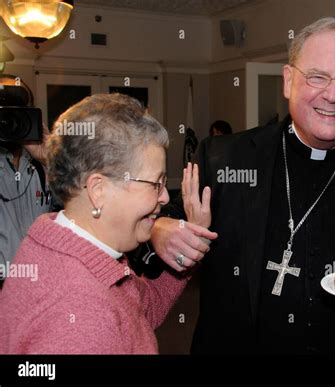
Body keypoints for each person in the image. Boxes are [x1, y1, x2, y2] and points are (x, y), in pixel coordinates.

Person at [151, 17, 335, 354]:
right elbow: (160, 228)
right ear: (287, 81)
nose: (333, 94)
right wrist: (160, 229)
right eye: (318, 77)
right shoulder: (223, 158)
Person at [0, 93, 200, 354]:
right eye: (155, 183)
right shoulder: (80, 315)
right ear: (99, 190)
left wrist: (186, 251)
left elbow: (139, 313)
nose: (164, 197)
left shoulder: (83, 249)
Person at [0, 76, 52, 286]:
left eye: (16, 114)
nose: (9, 122)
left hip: (41, 281)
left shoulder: (42, 168)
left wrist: (51, 158)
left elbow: (83, 203)